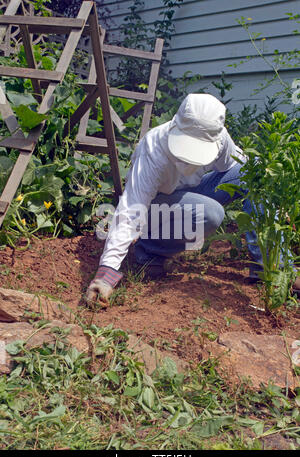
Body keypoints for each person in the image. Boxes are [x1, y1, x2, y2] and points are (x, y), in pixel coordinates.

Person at [86, 93, 299, 304]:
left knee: (256, 173)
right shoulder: (153, 149)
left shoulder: (220, 137)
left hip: (192, 194)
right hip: (156, 210)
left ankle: (275, 268)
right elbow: (132, 208)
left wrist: (271, 207)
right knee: (210, 214)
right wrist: (107, 273)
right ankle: (149, 250)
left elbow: (241, 167)